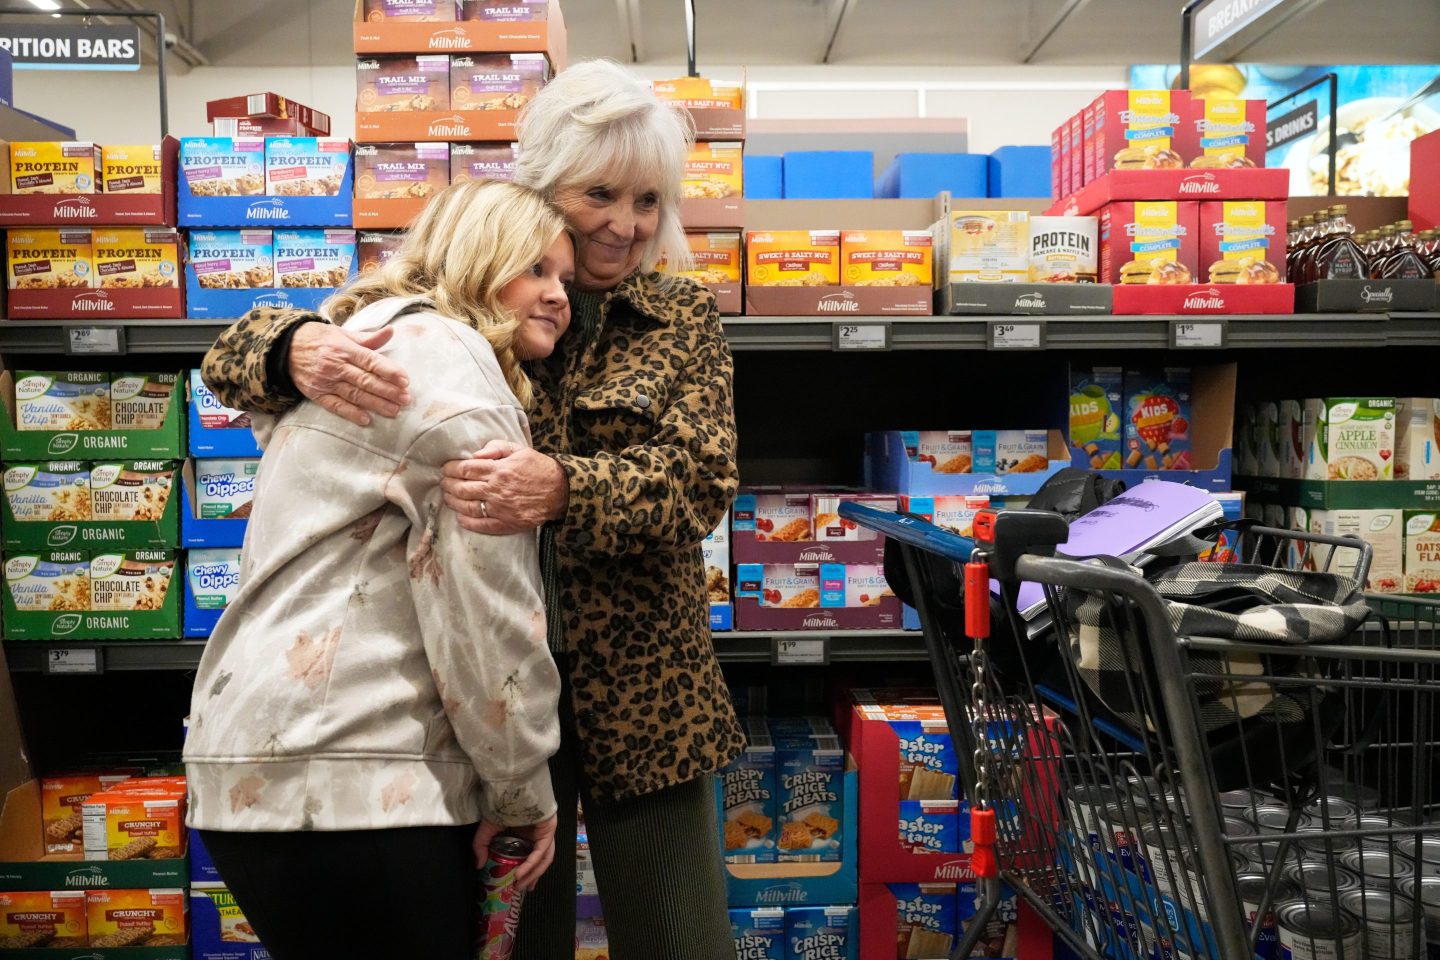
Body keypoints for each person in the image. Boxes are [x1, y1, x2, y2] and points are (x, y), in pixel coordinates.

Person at [197, 59, 744, 960]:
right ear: (538, 189)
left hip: (646, 686)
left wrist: (567, 485)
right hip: (475, 696)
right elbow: (242, 345)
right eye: (601, 193)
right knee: (519, 941)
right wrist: (293, 344)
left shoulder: (680, 313)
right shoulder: (468, 286)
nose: (626, 224)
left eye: (649, 201)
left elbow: (701, 478)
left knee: (682, 940)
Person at [184, 179, 574, 960]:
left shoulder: (362, 338)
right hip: (360, 775)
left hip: (255, 758)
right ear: (478, 257)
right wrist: (523, 788)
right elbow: (483, 609)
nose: (558, 295)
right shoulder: (457, 371)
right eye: (535, 268)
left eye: (563, 277)